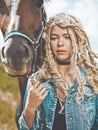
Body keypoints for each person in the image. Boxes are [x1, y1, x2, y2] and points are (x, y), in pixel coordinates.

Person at [18, 13, 98, 130]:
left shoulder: (92, 81)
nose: (60, 43)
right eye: (54, 37)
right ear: (48, 42)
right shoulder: (37, 81)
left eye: (67, 37)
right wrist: (30, 108)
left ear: (77, 40)